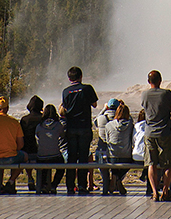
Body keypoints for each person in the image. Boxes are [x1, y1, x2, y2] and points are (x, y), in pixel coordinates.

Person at [60, 66, 98, 196]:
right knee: (83, 157)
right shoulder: (87, 89)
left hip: (71, 128)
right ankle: (82, 186)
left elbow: (64, 108)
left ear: (69, 78)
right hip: (84, 127)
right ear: (81, 77)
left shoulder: (66, 91)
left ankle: (70, 186)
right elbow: (94, 104)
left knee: (71, 157)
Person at [144, 70, 171, 201]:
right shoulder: (166, 93)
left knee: (151, 163)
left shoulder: (144, 94)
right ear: (160, 81)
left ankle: (154, 192)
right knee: (168, 163)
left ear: (148, 82)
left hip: (149, 132)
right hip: (164, 131)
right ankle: (165, 191)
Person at [103, 100, 134, 195]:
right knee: (131, 161)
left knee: (113, 157)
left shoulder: (108, 125)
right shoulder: (130, 125)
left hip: (112, 157)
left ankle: (115, 179)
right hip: (126, 157)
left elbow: (107, 140)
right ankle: (118, 179)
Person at [34, 103, 66, 194]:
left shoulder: (39, 126)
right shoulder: (58, 125)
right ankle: (53, 185)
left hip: (41, 156)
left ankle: (44, 185)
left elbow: (37, 138)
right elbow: (62, 135)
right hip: (55, 155)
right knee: (61, 167)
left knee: (43, 165)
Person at [21, 96, 46, 194]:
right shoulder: (43, 119)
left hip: (26, 151)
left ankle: (30, 177)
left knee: (27, 151)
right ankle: (43, 182)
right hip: (41, 152)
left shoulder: (24, 119)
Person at [96, 99, 119, 193]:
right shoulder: (119, 119)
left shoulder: (101, 118)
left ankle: (105, 189)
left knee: (104, 175)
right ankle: (115, 183)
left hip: (101, 150)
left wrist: (103, 109)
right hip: (115, 151)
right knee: (117, 170)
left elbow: (95, 121)